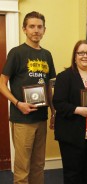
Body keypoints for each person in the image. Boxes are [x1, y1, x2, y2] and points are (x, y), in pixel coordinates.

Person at [0, 11, 56, 184]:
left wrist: (53, 112)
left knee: (39, 164)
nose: (36, 30)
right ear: (24, 29)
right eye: (32, 26)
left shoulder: (47, 55)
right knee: (23, 167)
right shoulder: (16, 53)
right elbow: (2, 84)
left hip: (41, 117)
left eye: (39, 27)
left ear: (44, 30)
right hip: (22, 119)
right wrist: (18, 103)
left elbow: (49, 87)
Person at [53, 40, 87, 184]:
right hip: (73, 135)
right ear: (75, 56)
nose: (85, 56)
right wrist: (78, 110)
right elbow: (58, 103)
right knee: (73, 174)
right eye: (81, 53)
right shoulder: (65, 76)